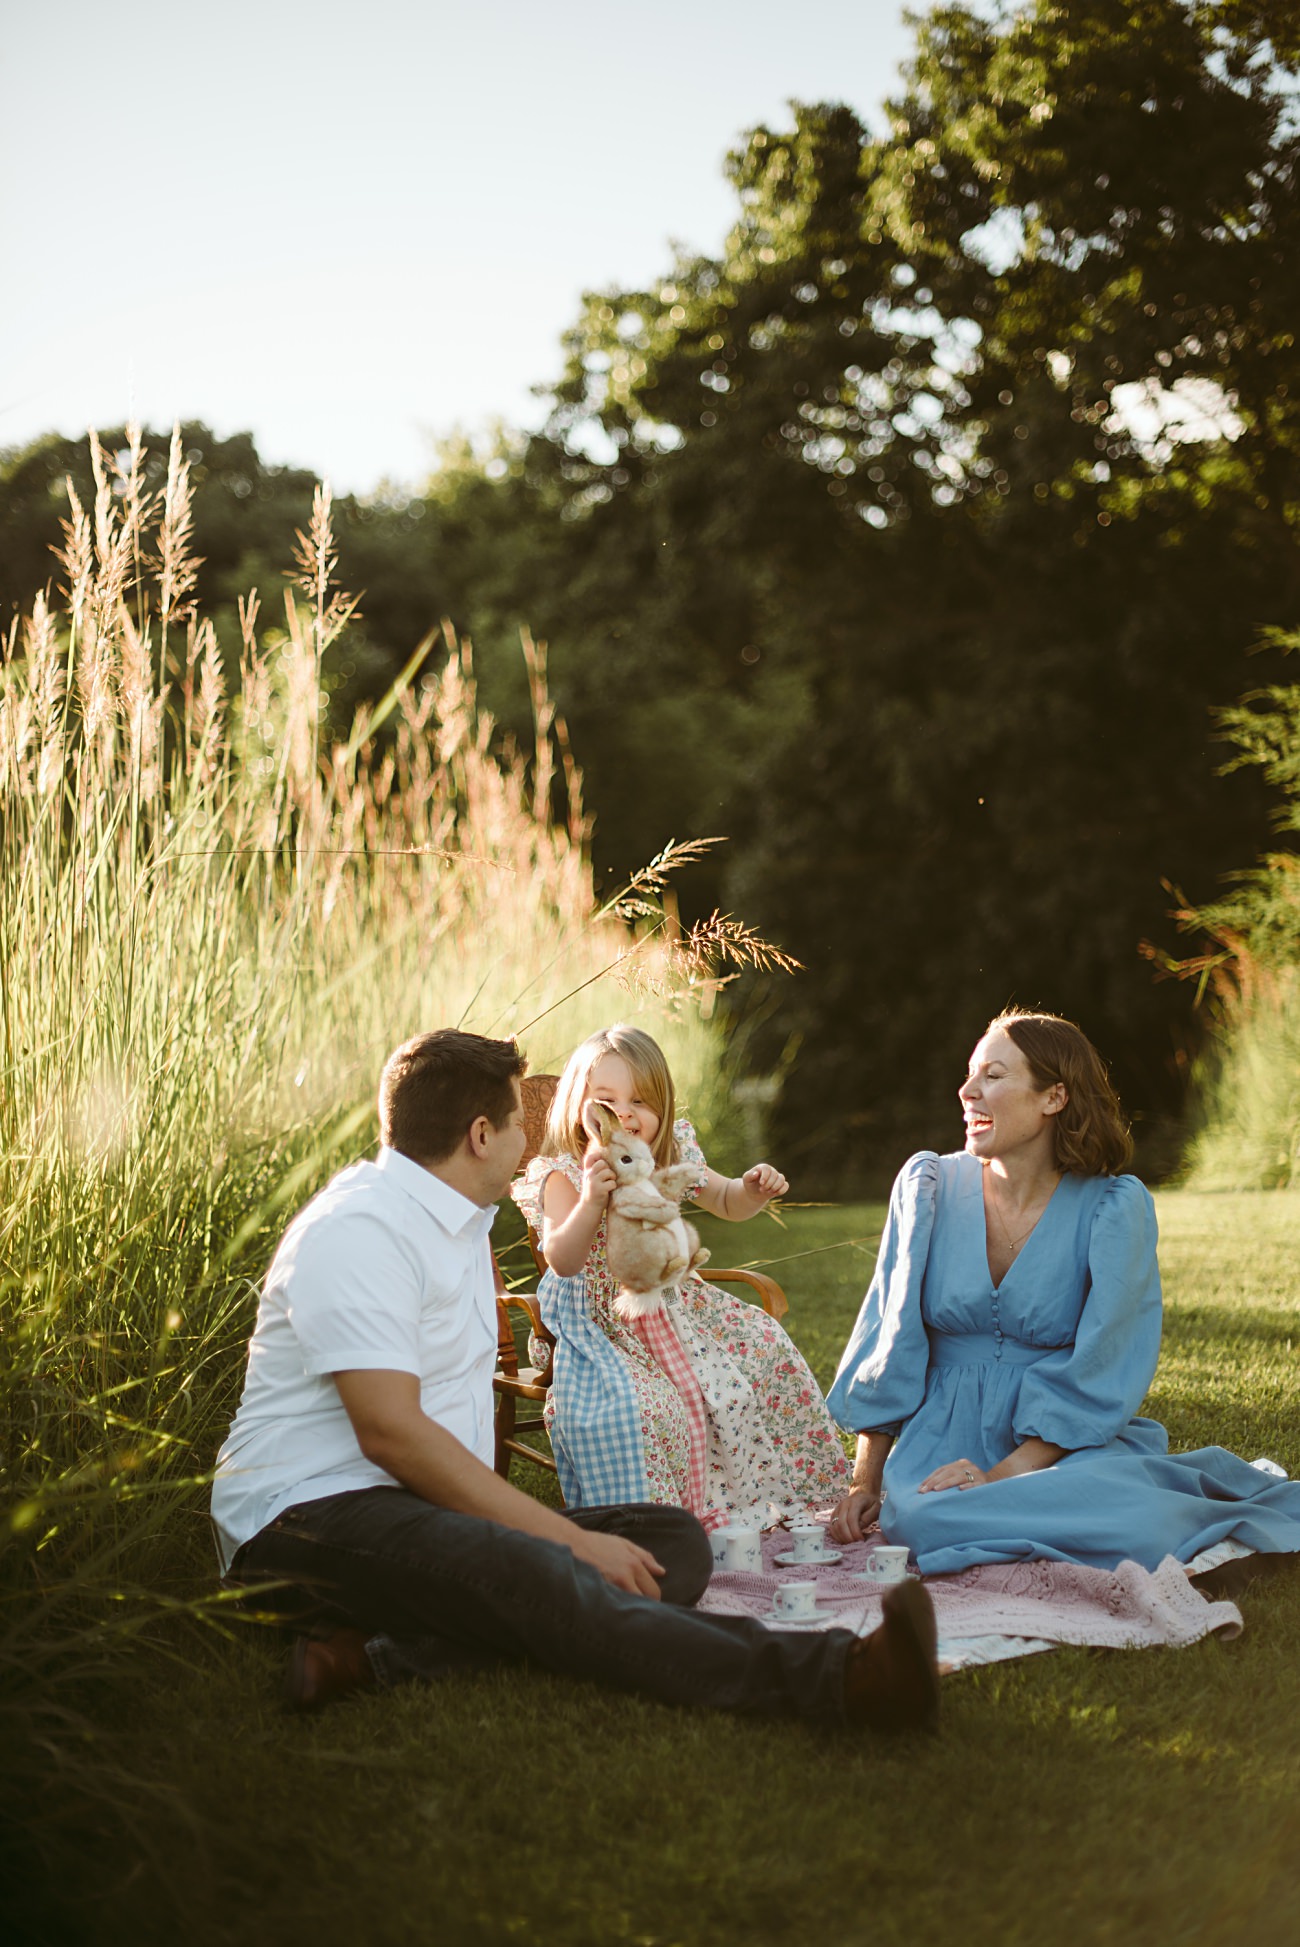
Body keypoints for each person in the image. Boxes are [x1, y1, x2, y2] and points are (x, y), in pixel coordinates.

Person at [211, 1028, 938, 1730]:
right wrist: (572, 1544)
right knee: (551, 1571)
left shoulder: (455, 1219)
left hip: (418, 1513)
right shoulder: (360, 1228)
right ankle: (844, 1679)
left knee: (671, 1543)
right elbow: (391, 1434)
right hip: (307, 1524)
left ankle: (369, 1658)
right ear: (480, 1136)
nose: (537, 1136)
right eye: (517, 1121)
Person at [825, 1009, 1300, 1577]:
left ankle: (1137, 1512)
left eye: (993, 1077)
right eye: (970, 1074)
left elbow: (1106, 1362)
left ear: (1054, 1097)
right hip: (941, 1441)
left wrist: (1003, 1476)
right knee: (924, 1524)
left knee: (1134, 1522)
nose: (967, 1090)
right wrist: (864, 1481)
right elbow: (889, 1339)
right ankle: (1091, 1522)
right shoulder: (927, 1186)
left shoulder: (1112, 1207)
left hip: (1062, 1445)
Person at [511, 1025, 849, 1522]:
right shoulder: (564, 1173)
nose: (625, 1114)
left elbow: (725, 1200)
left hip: (675, 1306)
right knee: (646, 1407)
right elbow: (563, 1259)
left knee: (762, 1347)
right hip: (600, 1323)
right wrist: (591, 1200)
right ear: (579, 1105)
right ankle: (673, 1520)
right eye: (607, 1100)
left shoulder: (666, 1155)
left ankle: (784, 1498)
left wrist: (752, 1190)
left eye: (641, 1101)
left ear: (663, 1110)